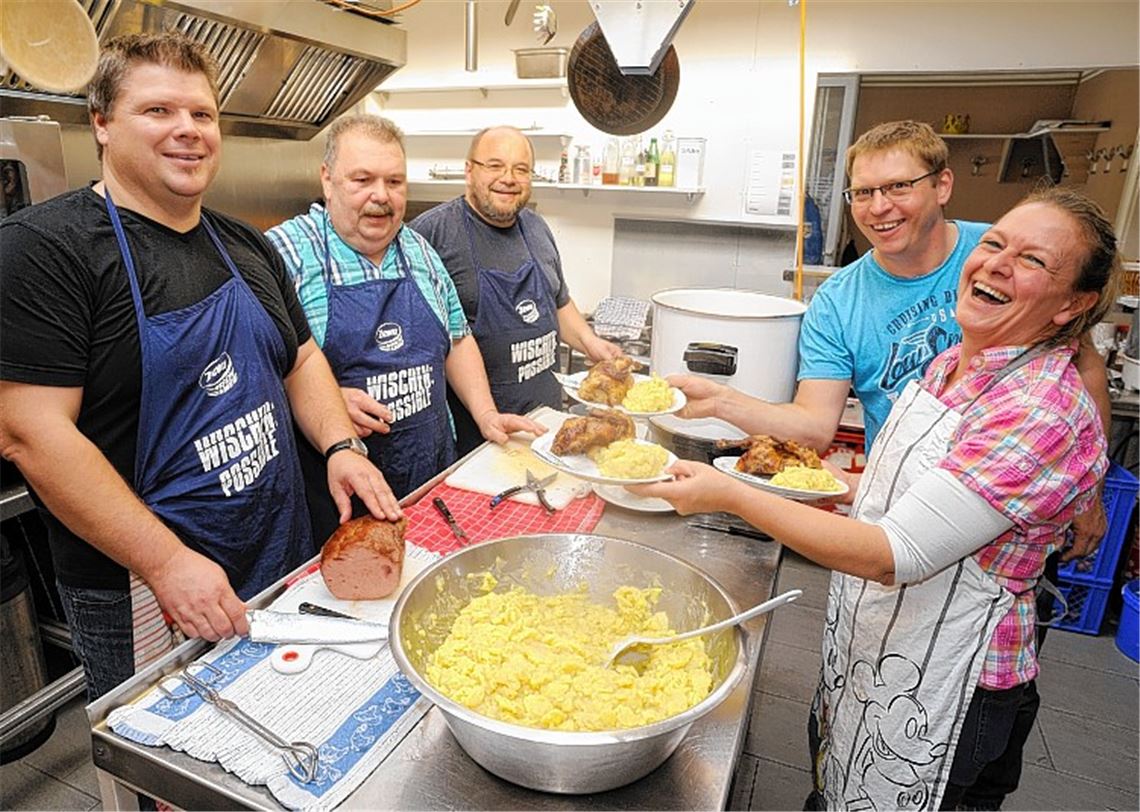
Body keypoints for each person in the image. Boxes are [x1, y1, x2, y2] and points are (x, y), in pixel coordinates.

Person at [634, 187, 1121, 810]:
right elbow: (900, 488)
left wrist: (727, 492)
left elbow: (891, 552)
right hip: (883, 643)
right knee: (836, 786)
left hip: (951, 679)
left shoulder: (1037, 410)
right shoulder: (955, 363)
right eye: (995, 243)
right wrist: (775, 469)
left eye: (1033, 261)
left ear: (1071, 305)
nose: (996, 262)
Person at [0, 33, 400, 701]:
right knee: (170, 771)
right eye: (158, 111)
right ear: (100, 123)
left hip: (275, 545)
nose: (187, 131)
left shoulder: (240, 241)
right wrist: (167, 562)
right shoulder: (47, 252)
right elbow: (31, 434)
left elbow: (300, 358)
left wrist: (339, 444)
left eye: (202, 115)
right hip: (144, 578)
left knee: (292, 719)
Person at [669, 120, 1110, 556]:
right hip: (892, 502)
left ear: (942, 186)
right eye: (863, 192)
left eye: (898, 186)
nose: (878, 207)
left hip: (999, 520)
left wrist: (1091, 482)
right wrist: (720, 402)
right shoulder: (841, 302)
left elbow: (1083, 366)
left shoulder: (996, 254)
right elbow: (815, 427)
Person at [266, 114, 544, 542]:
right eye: (362, 180)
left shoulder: (419, 250)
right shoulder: (286, 254)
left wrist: (485, 413)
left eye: (394, 182)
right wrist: (326, 398)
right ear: (327, 179)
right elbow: (252, 376)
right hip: (337, 504)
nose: (381, 197)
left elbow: (457, 337)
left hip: (430, 483)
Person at [410, 125, 623, 455]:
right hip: (476, 437)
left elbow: (558, 301)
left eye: (521, 169)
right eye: (494, 166)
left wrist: (590, 342)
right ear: (469, 171)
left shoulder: (537, 227)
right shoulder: (431, 235)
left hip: (547, 424)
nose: (508, 178)